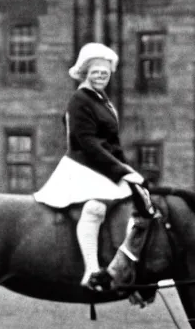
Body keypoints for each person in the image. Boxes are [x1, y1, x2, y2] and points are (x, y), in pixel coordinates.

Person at [34, 42, 155, 290]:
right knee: (95, 209)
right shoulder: (80, 100)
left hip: (101, 164)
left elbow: (112, 143)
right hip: (82, 165)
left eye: (105, 72)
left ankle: (133, 272)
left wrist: (128, 170)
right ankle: (91, 271)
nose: (101, 76)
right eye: (96, 72)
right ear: (85, 73)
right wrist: (120, 171)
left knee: (140, 204)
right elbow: (88, 142)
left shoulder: (104, 101)